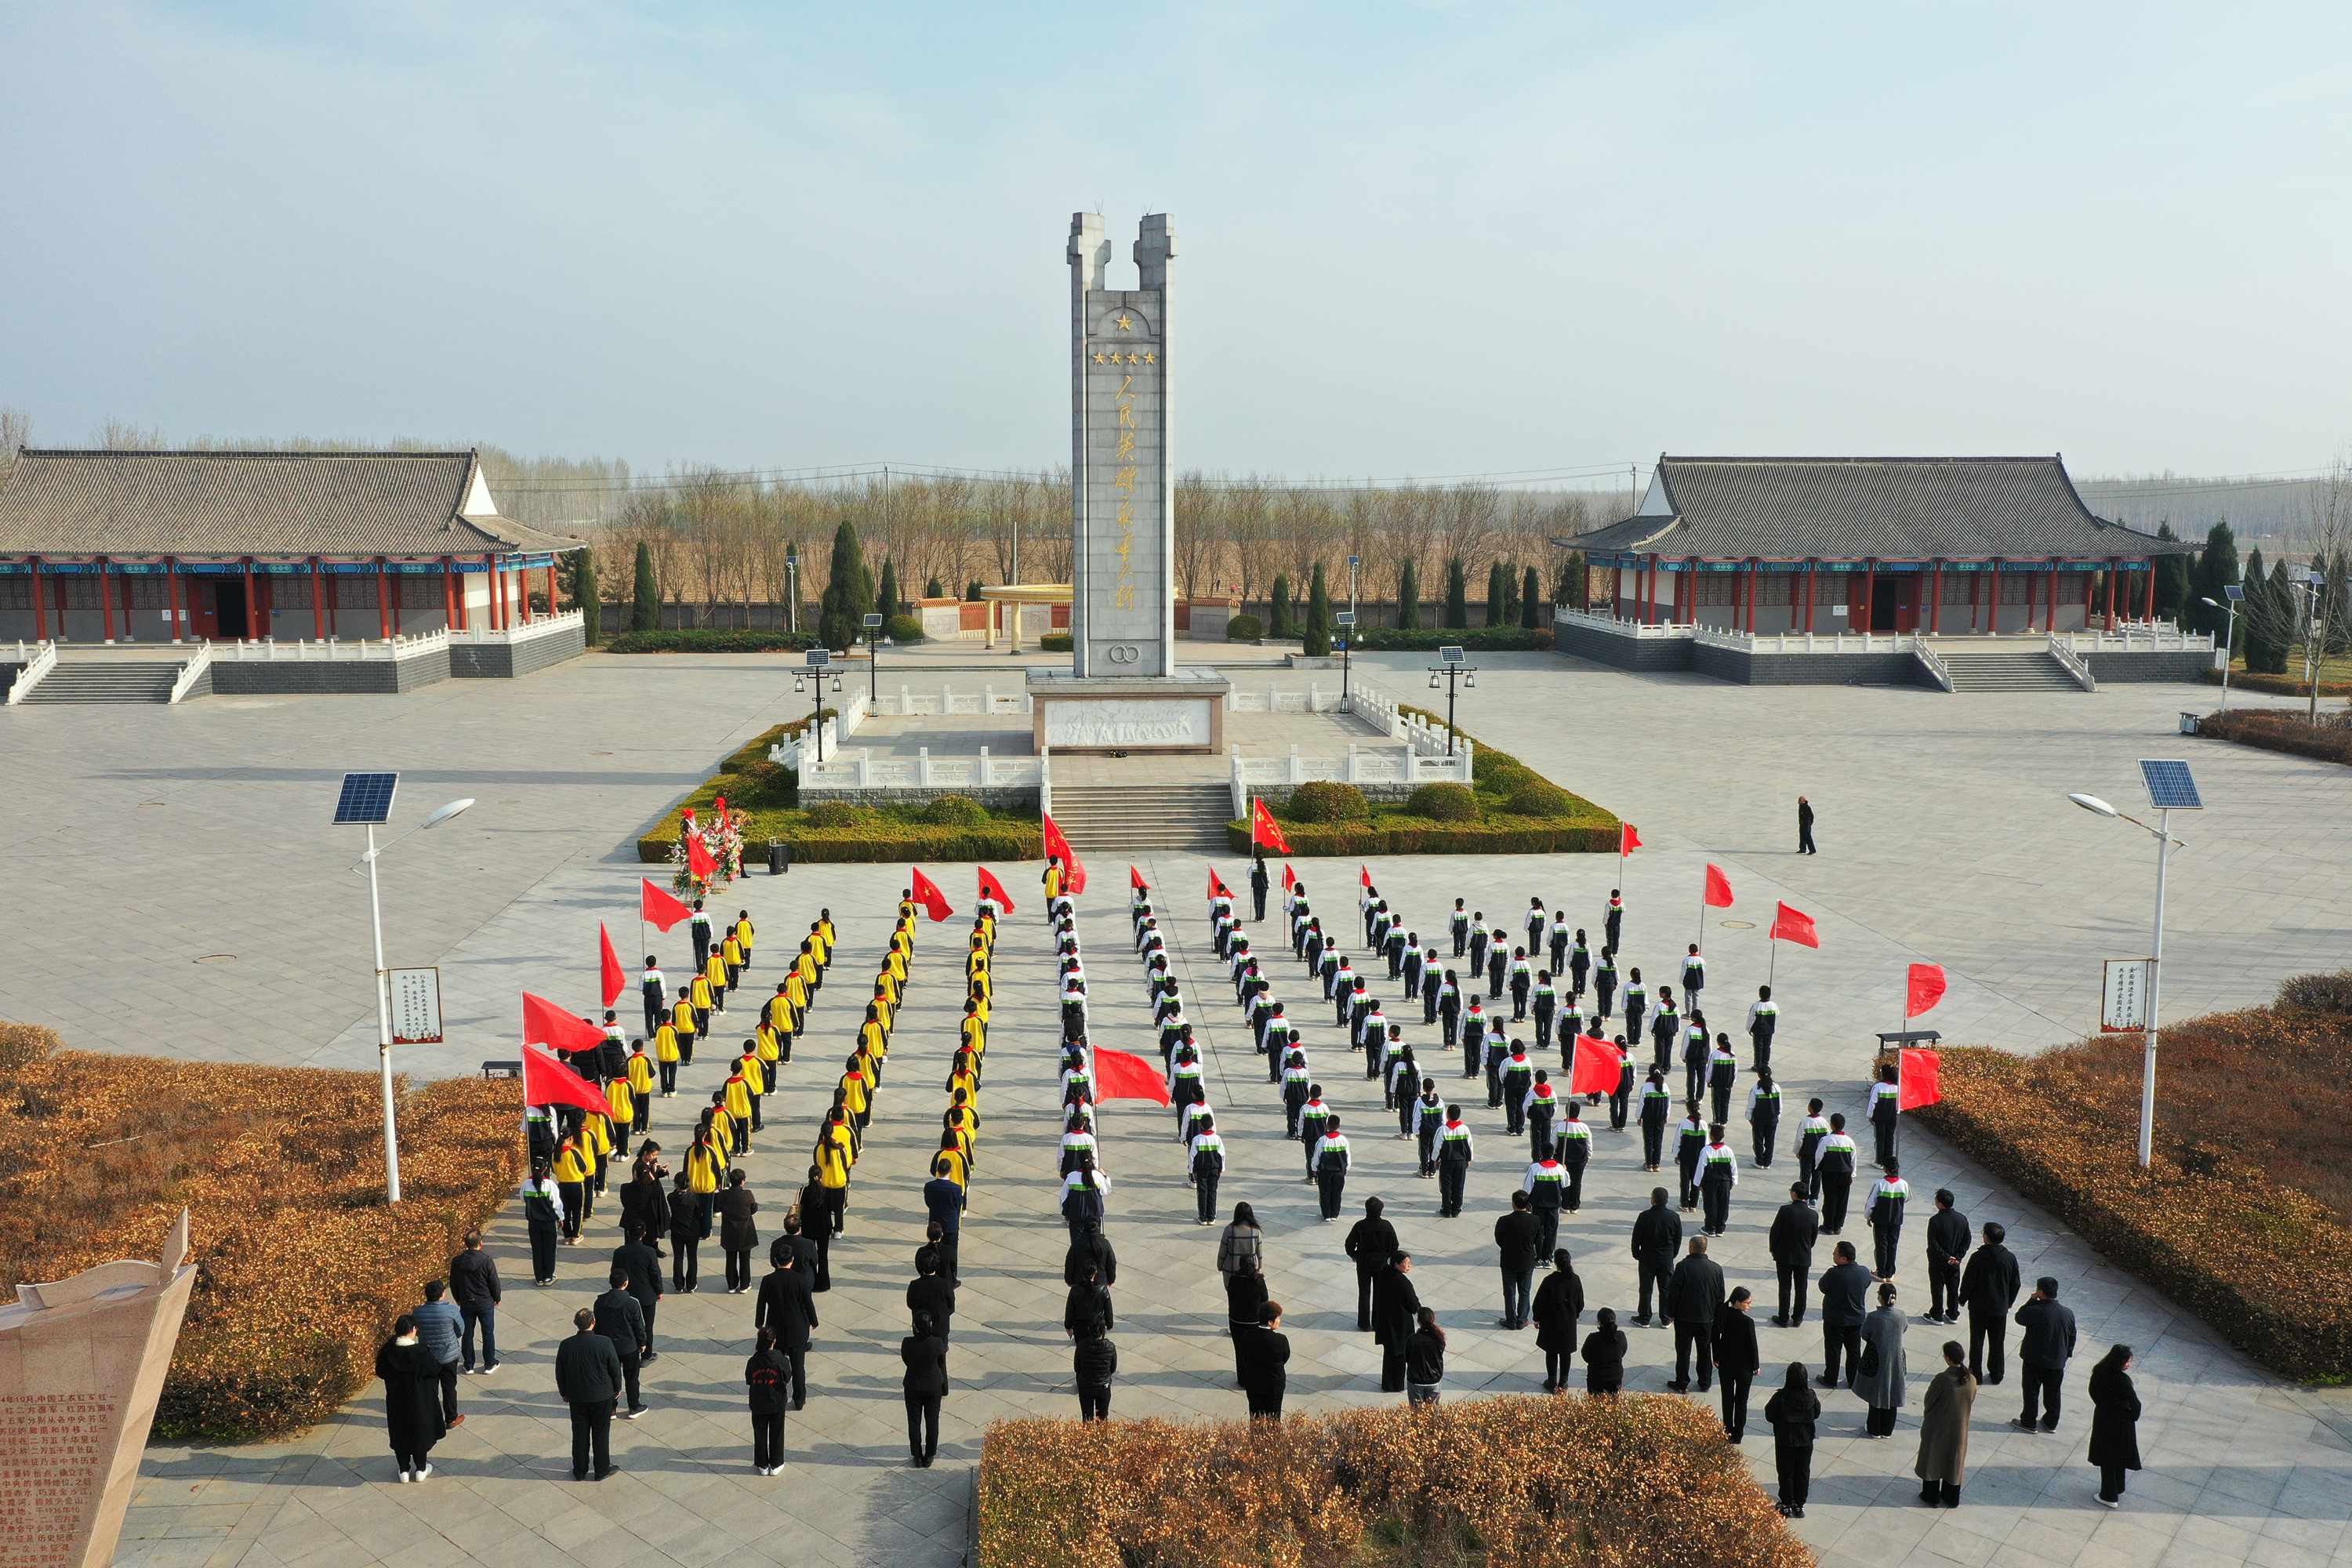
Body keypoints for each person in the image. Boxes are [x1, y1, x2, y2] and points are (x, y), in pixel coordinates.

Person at [554, 1306, 623, 1482]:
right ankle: (601, 1469)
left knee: (579, 1434)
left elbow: (560, 1372)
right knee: (601, 1433)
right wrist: (617, 1388)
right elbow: (615, 1368)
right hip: (602, 1396)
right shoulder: (604, 1343)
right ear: (594, 1322)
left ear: (575, 1323)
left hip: (577, 1397)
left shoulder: (566, 1345)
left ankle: (579, 1470)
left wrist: (564, 1392)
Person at [375, 1314, 446, 1483]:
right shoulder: (421, 1352)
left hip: (396, 1401)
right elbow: (435, 1369)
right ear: (413, 1330)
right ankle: (421, 1468)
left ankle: (404, 1469)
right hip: (419, 1401)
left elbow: (381, 1372)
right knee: (419, 1433)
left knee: (400, 1432)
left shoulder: (388, 1352)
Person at [753, 1243, 818, 1410]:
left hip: (775, 1331)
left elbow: (761, 1304)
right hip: (797, 1329)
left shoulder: (768, 1280)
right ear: (792, 1260)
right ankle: (799, 1399)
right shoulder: (800, 1280)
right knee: (798, 1368)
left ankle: (778, 1396)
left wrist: (759, 1323)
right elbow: (808, 1303)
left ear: (776, 1260)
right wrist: (814, 1321)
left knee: (776, 1367)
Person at [2012, 1276, 2078, 1432]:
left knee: (2031, 1392)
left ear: (2041, 1292)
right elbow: (2072, 1336)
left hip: (2034, 1360)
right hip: (2056, 1362)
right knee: (2053, 1393)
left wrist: (2031, 1300)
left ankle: (2029, 1422)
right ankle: (2051, 1422)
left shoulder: (2036, 1310)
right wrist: (2066, 1354)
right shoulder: (2068, 1313)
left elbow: (2019, 1317)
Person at [1958, 1221, 2020, 1384]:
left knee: (1977, 1341)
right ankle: (1997, 1374)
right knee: (1997, 1342)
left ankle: (1976, 1374)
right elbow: (2015, 1283)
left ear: (1986, 1237)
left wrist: (1963, 1298)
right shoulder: (2009, 1258)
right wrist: (2009, 1301)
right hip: (2000, 1308)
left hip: (1979, 1307)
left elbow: (1969, 1280)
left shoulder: (1978, 1257)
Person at [1915, 1340, 1976, 1507]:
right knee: (1954, 1459)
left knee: (1933, 1457)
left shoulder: (1943, 1379)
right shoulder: (1971, 1379)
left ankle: (1931, 1496)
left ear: (1948, 1358)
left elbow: (1929, 1400)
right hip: (1960, 1427)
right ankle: (1951, 1497)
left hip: (1938, 1425)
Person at [1664, 1236, 1725, 1392]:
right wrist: (1715, 1316)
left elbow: (1674, 1292)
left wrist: (1671, 1312)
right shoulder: (1716, 1269)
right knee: (1704, 1351)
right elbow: (1720, 1297)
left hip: (1684, 1318)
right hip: (1706, 1319)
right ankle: (1705, 1382)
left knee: (1683, 1352)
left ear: (1691, 1247)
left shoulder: (1683, 1266)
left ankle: (1682, 1382)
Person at [592, 1265, 651, 1420]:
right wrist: (643, 1343)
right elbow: (639, 1326)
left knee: (610, 1377)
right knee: (632, 1378)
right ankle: (634, 1407)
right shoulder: (632, 1303)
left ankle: (611, 1409)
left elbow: (598, 1326)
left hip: (608, 1346)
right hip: (629, 1347)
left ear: (609, 1282)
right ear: (626, 1283)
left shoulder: (600, 1302)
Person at [2087, 1344, 2141, 1508]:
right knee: (2118, 1456)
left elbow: (2093, 1392)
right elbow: (2136, 1404)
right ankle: (2112, 1494)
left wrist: (2103, 1406)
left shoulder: (2099, 1371)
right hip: (2122, 1422)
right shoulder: (2122, 1380)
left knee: (2107, 1457)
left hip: (2104, 1419)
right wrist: (2132, 1416)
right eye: (2127, 1362)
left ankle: (2111, 1490)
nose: (2129, 1365)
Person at [1763, 1363, 1820, 1518]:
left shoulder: (1781, 1397)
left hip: (1785, 1439)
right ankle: (1799, 1505)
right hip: (1805, 1440)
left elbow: (1769, 1414)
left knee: (1786, 1472)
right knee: (1803, 1472)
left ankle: (1786, 1503)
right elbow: (1816, 1414)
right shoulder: (1811, 1396)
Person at [1857, 1282, 1909, 1437]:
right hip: (1897, 1359)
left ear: (1880, 1298)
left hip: (1878, 1359)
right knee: (1893, 1393)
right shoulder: (1901, 1315)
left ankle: (1874, 1429)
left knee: (1877, 1393)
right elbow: (1904, 1329)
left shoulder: (1874, 1317)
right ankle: (1887, 1430)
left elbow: (1864, 1334)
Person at [1817, 1241, 1871, 1388]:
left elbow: (1823, 1287)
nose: (1833, 1255)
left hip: (1835, 1320)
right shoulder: (1864, 1272)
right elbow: (1867, 1284)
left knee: (1833, 1351)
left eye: (1835, 1253)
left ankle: (1831, 1379)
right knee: (1854, 1351)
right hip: (1856, 1320)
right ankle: (1853, 1380)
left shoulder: (1834, 1274)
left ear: (1843, 1259)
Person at [411, 1280, 464, 1428]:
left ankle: (432, 1420)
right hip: (449, 1355)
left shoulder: (418, 1312)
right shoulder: (452, 1311)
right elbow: (460, 1330)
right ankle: (451, 1418)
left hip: (428, 1356)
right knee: (449, 1387)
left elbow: (417, 1331)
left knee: (430, 1390)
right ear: (442, 1294)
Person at [1532, 1250, 1584, 1392]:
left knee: (1551, 1352)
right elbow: (1580, 1303)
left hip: (1551, 1322)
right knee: (1566, 1353)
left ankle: (1552, 1381)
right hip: (1568, 1323)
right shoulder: (1575, 1280)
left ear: (1555, 1263)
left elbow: (1539, 1302)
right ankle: (1563, 1382)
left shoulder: (1550, 1281)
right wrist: (1573, 1315)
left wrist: (1537, 1319)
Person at [1768, 1183, 1820, 1327]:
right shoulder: (1813, 1215)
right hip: (1803, 1256)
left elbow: (1775, 1231)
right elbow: (1813, 1238)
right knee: (1801, 1288)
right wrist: (1806, 1248)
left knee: (1785, 1287)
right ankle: (1798, 1318)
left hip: (1784, 1255)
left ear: (1794, 1194)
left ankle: (1783, 1317)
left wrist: (1773, 1249)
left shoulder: (1785, 1210)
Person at [1713, 1286, 1762, 1440]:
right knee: (1741, 1402)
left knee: (1727, 1399)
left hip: (1726, 1364)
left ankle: (1727, 1429)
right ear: (1737, 1303)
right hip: (1744, 1368)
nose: (1750, 1306)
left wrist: (1716, 1357)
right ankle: (1738, 1433)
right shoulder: (1747, 1322)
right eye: (1747, 1303)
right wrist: (1756, 1365)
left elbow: (1715, 1337)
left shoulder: (1723, 1314)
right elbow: (1752, 1345)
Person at [449, 1232, 501, 1374]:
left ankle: (468, 1364)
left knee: (467, 1333)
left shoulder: (457, 1261)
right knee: (488, 1333)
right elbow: (493, 1282)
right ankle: (489, 1363)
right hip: (485, 1303)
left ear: (465, 1243)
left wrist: (458, 1298)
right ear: (480, 1243)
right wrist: (497, 1297)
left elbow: (453, 1283)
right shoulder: (486, 1260)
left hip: (467, 1302)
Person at [902, 1310, 948, 1467]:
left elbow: (906, 1360)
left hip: (913, 1386)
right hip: (933, 1387)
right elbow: (941, 1362)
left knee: (914, 1422)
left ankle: (917, 1455)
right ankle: (929, 1456)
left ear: (914, 1326)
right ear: (931, 1325)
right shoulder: (937, 1343)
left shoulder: (907, 1342)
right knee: (932, 1422)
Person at [1631, 1186, 1682, 1327]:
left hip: (1647, 1258)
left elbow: (1636, 1238)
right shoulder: (1674, 1217)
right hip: (1666, 1259)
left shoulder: (1644, 1216)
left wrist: (1636, 1254)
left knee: (1646, 1289)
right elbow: (1677, 1239)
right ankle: (1665, 1318)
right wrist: (1672, 1254)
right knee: (1666, 1289)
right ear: (1667, 1200)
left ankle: (1644, 1317)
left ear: (1653, 1200)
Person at [1345, 1197, 1399, 1331]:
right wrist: (1388, 1257)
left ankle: (1364, 1323)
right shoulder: (1387, 1226)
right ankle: (1377, 1322)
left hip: (1363, 1263)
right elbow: (1395, 1245)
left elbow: (1349, 1244)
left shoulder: (1360, 1226)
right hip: (1381, 1264)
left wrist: (1354, 1255)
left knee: (1364, 1292)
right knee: (1379, 1293)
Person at [614, 1224, 663, 1360]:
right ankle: (647, 1355)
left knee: (628, 1324)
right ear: (644, 1234)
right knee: (648, 1326)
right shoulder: (649, 1252)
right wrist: (659, 1290)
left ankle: (630, 1352)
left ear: (628, 1233)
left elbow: (615, 1272)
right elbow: (655, 1273)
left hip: (627, 1294)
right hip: (647, 1296)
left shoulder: (619, 1252)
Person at [1371, 1252, 1420, 1392]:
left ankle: (1387, 1383)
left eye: (1409, 1262)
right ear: (1396, 1265)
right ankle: (1397, 1385)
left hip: (1385, 1321)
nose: (1409, 1265)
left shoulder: (1383, 1275)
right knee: (1400, 1355)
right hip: (1400, 1324)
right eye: (1406, 1263)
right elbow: (1413, 1305)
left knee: (1389, 1354)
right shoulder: (1404, 1283)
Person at [746, 1327, 791, 1474]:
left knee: (760, 1433)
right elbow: (787, 1377)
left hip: (758, 1402)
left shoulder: (753, 1361)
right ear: (774, 1341)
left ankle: (762, 1464)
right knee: (777, 1432)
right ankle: (776, 1464)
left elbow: (749, 1379)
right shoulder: (781, 1360)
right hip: (777, 1401)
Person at [1494, 1191, 1543, 1330]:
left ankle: (1511, 1320)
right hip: (1527, 1261)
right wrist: (1536, 1255)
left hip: (1508, 1260)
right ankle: (1522, 1319)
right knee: (1525, 1291)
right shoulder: (1535, 1220)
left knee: (1509, 1292)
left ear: (1513, 1204)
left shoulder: (1503, 1220)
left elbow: (1499, 1239)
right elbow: (1538, 1240)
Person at [1923, 1189, 1970, 1323]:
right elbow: (1967, 1239)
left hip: (1938, 1262)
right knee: (1953, 1288)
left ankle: (1937, 1314)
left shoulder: (1935, 1221)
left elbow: (1933, 1243)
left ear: (1940, 1204)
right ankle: (1953, 1313)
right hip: (1955, 1262)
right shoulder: (1962, 1218)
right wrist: (1958, 1257)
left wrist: (1946, 1257)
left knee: (1937, 1288)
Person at [1240, 1301, 1290, 1419]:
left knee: (1255, 1415)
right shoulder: (1281, 1340)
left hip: (1253, 1383)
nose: (1279, 1321)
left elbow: (1244, 1356)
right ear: (1270, 1322)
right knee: (1274, 1416)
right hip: (1274, 1384)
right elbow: (1285, 1357)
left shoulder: (1247, 1336)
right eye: (1278, 1318)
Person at [1864, 1157, 1910, 1281]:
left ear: (1885, 1168)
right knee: (1892, 1245)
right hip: (1896, 1221)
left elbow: (1871, 1203)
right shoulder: (1904, 1184)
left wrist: (1868, 1216)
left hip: (1880, 1220)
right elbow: (1907, 1198)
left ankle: (1881, 1273)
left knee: (1881, 1246)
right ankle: (1890, 1272)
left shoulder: (1879, 1184)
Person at [1225, 1258, 1269, 1387]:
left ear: (1240, 1265)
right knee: (1254, 1351)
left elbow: (1231, 1298)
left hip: (1236, 1321)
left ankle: (1242, 1378)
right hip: (1254, 1322)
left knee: (1240, 1350)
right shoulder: (1259, 1281)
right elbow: (1265, 1300)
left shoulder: (1233, 1280)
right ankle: (1253, 1378)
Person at [718, 1169, 760, 1293]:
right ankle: (744, 1285)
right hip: (745, 1231)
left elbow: (719, 1207)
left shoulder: (724, 1194)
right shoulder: (747, 1194)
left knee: (730, 1259)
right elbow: (753, 1209)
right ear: (743, 1181)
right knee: (745, 1259)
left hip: (729, 1231)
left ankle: (732, 1285)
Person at [522, 1160, 563, 1286]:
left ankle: (539, 1278)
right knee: (549, 1250)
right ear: (545, 1169)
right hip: (549, 1223)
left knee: (537, 1250)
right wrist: (561, 1218)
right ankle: (548, 1277)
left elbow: (523, 1198)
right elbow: (557, 1204)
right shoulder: (550, 1185)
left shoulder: (526, 1184)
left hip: (533, 1223)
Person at [907, 1247, 956, 1342]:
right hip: (940, 1326)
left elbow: (910, 1304)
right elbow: (950, 1303)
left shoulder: (914, 1285)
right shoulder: (944, 1284)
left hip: (920, 1325)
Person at [1405, 1308, 1446, 1406]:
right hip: (1434, 1379)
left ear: (1419, 1321)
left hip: (1416, 1380)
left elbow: (1407, 1357)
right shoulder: (1438, 1338)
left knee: (1416, 1412)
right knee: (1432, 1411)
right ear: (1433, 1320)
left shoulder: (1412, 1339)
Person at [1581, 1308, 1627, 1396]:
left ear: (1600, 1322)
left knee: (1595, 1401)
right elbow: (1623, 1351)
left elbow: (1586, 1356)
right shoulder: (1620, 1336)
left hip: (1596, 1376)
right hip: (1615, 1376)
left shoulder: (1593, 1338)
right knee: (1613, 1401)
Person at [1217, 1202, 1263, 1279]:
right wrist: (1259, 1266)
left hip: (1231, 1269)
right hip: (1250, 1269)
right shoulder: (1255, 1231)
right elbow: (1259, 1251)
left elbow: (1223, 1250)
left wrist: (1219, 1265)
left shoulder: (1229, 1230)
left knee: (1232, 1287)